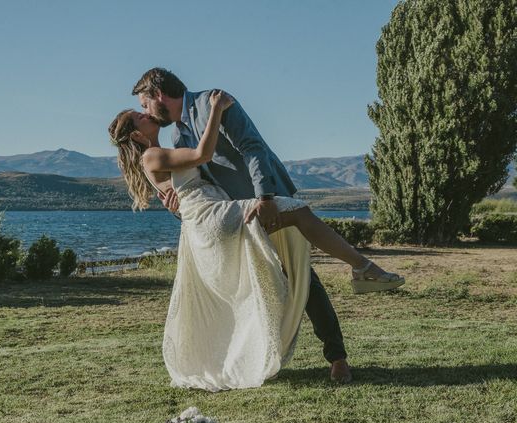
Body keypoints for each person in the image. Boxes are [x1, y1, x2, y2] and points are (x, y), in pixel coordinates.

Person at [108, 90, 404, 392]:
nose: (145, 112)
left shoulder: (167, 144)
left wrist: (176, 195)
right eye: (140, 113)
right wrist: (217, 111)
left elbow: (235, 156)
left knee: (292, 275)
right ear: (134, 132)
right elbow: (202, 157)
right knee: (301, 216)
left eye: (144, 106)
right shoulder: (163, 148)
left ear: (160, 94)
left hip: (225, 213)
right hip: (222, 217)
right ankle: (361, 267)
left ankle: (329, 353)